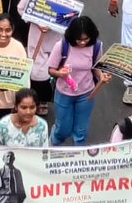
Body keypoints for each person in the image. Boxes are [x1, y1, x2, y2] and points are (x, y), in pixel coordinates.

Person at [47, 15, 111, 145]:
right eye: (79, 40)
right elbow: (51, 70)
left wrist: (101, 76)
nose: (82, 43)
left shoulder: (96, 47)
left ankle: (79, 157)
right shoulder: (62, 45)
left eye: (85, 39)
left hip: (86, 93)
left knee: (81, 132)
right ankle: (52, 145)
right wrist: (60, 74)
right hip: (64, 93)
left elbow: (96, 68)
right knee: (63, 129)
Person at [25, 0, 69, 117]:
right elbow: (21, 8)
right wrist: (36, 22)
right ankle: (34, 99)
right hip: (37, 37)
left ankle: (44, 100)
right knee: (37, 71)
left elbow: (70, 13)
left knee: (52, 68)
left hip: (56, 38)